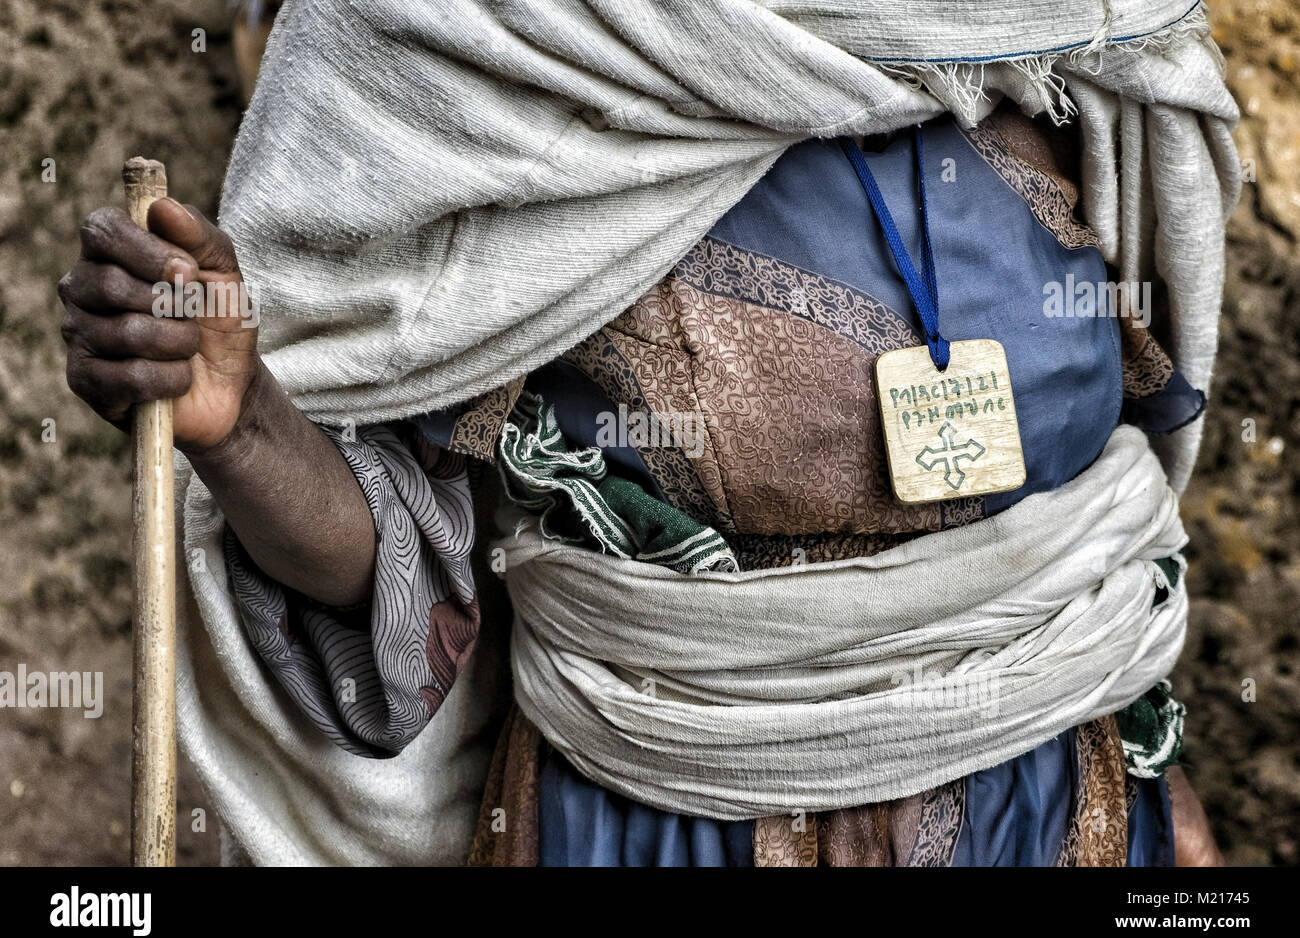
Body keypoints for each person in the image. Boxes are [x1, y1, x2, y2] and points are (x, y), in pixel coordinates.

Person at [59, 0, 1233, 866]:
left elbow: (1131, 488)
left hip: (1057, 809)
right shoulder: (459, 38)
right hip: (655, 828)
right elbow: (406, 564)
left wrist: (1158, 786)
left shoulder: (1080, 22)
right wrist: (245, 420)